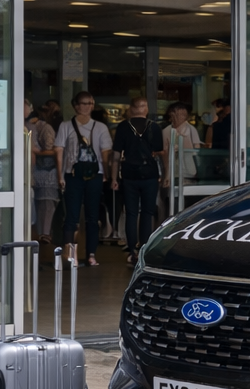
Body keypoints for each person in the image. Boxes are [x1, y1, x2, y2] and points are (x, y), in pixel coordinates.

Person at [55, 92, 113, 266]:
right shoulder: (66, 126)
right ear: (76, 105)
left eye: (90, 103)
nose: (87, 106)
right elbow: (59, 151)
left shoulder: (101, 127)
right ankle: (69, 255)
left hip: (95, 175)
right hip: (72, 174)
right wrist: (60, 175)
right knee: (71, 217)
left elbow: (106, 153)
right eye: (83, 103)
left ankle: (91, 254)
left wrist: (108, 175)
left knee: (92, 217)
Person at [111, 97, 165, 265]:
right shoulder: (154, 127)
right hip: (149, 174)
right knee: (147, 213)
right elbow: (160, 152)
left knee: (131, 213)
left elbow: (115, 156)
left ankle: (132, 251)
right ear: (145, 109)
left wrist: (114, 178)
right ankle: (144, 248)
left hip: (129, 175)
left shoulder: (122, 127)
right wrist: (166, 174)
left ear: (131, 109)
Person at [26, 98, 61, 245]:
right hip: (45, 171)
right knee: (44, 204)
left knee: (43, 204)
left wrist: (35, 152)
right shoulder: (43, 127)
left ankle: (43, 233)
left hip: (44, 170)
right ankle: (43, 233)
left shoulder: (42, 127)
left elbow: (51, 150)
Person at [161, 101, 201, 217]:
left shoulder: (191, 130)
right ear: (171, 114)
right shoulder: (166, 131)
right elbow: (165, 154)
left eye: (184, 114)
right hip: (173, 171)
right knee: (172, 200)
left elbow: (197, 151)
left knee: (188, 200)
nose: (181, 117)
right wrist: (167, 175)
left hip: (189, 171)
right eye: (178, 114)